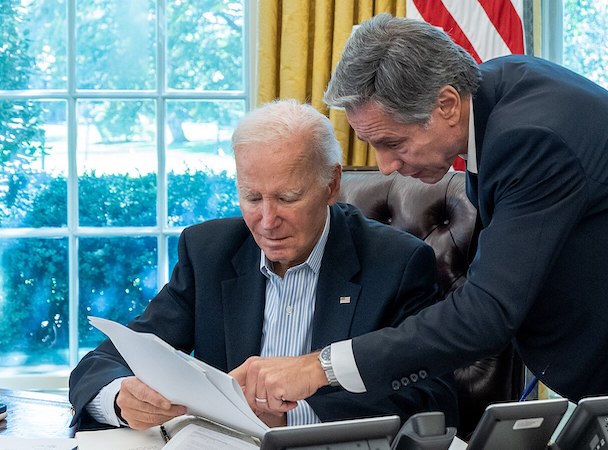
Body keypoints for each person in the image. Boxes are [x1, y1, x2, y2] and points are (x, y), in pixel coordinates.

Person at [232, 14, 608, 449]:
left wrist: (319, 366)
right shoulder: (495, 94)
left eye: (393, 143)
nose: (383, 166)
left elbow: (488, 313)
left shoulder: (531, 136)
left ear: (446, 104)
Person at [68, 99, 458, 431]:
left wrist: (294, 418)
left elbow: (431, 399)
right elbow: (104, 362)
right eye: (252, 198)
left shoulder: (397, 262)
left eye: (287, 198)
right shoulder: (210, 251)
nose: (267, 221)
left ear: (331, 184)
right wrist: (120, 399)